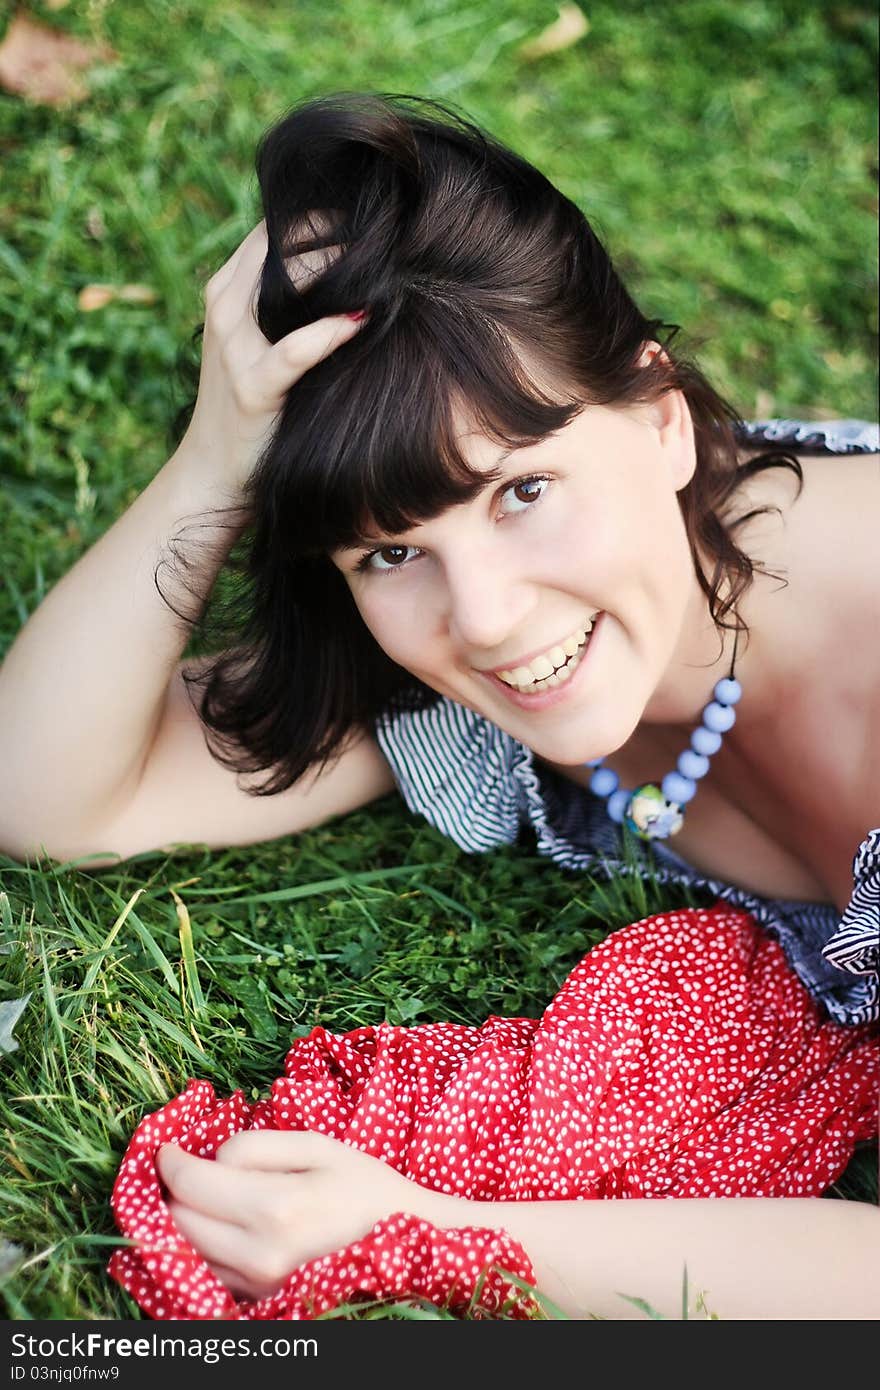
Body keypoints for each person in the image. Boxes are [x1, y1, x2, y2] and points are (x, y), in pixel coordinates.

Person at [0, 93, 877, 1319]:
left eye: (523, 490)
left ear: (662, 419)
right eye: (387, 551)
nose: (488, 620)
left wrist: (445, 1235)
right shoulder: (463, 681)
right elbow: (43, 790)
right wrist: (216, 454)